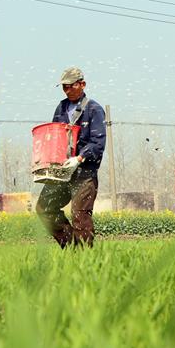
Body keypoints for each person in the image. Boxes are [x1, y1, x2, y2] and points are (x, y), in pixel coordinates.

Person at [35, 67, 107, 248]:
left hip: (84, 173)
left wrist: (79, 158)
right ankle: (72, 247)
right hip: (62, 172)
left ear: (82, 84)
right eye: (64, 87)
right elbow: (55, 135)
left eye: (71, 86)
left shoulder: (94, 109)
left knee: (80, 214)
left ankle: (85, 259)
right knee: (44, 208)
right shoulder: (61, 107)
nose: (67, 90)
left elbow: (98, 143)